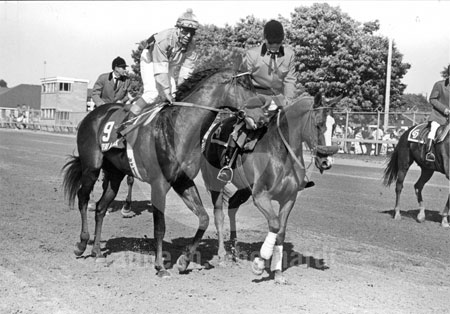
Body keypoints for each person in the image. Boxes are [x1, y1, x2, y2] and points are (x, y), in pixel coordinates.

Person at [118, 8, 199, 135]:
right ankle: (126, 124)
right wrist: (166, 92)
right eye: (185, 31)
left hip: (168, 63)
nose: (188, 35)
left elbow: (186, 73)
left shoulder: (192, 46)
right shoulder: (164, 39)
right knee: (152, 94)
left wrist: (182, 91)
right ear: (177, 28)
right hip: (151, 60)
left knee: (175, 96)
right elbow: (160, 70)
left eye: (192, 32)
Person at [89, 56, 134, 217]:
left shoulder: (126, 80)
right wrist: (103, 106)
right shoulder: (103, 78)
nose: (124, 70)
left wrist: (127, 100)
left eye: (124, 68)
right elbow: (95, 93)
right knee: (87, 129)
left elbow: (128, 95)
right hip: (102, 110)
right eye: (122, 67)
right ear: (115, 68)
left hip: (118, 113)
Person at [240, 19, 297, 102]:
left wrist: (289, 100)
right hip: (256, 98)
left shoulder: (289, 55)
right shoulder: (252, 54)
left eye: (278, 43)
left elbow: (290, 81)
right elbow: (243, 81)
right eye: (270, 43)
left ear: (282, 40)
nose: (274, 46)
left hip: (279, 99)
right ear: (264, 38)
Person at [426, 66, 450, 162]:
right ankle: (429, 152)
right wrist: (445, 110)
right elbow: (432, 99)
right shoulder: (440, 85)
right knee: (434, 129)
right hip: (439, 116)